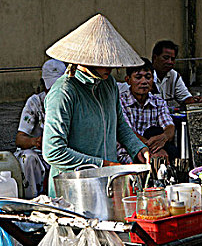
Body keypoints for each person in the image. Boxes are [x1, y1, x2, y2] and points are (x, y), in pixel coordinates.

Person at [42, 14, 150, 197]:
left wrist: (138, 148)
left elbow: (119, 125)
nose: (109, 68)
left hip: (107, 185)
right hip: (72, 190)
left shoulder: (108, 84)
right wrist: (104, 166)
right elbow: (53, 151)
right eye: (103, 62)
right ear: (85, 60)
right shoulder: (63, 92)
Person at [14, 59, 66, 198]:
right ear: (43, 84)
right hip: (40, 154)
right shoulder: (35, 102)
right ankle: (32, 201)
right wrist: (36, 141)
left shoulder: (69, 101)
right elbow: (20, 139)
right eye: (50, 87)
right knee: (28, 158)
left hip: (63, 153)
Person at [117, 58, 177, 163]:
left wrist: (164, 137)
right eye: (138, 77)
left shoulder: (158, 102)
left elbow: (169, 126)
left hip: (157, 150)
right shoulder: (120, 102)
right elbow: (128, 133)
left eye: (148, 77)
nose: (144, 81)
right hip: (129, 152)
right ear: (128, 80)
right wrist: (152, 150)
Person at [149, 40, 202, 107]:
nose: (170, 62)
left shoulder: (174, 75)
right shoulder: (145, 76)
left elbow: (185, 98)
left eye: (172, 59)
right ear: (155, 58)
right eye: (166, 58)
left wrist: (197, 100)